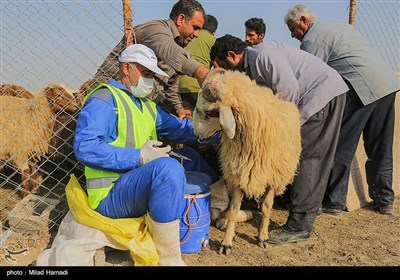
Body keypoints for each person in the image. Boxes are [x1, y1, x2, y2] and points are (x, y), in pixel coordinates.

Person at [73, 44, 219, 266]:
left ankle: (216, 206)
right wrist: (138, 157)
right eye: (146, 73)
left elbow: (181, 130)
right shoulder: (104, 99)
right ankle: (169, 259)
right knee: (168, 168)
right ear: (127, 68)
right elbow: (85, 146)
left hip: (133, 188)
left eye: (152, 75)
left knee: (186, 155)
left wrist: (218, 134)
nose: (150, 80)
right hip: (109, 195)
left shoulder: (146, 106)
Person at [210, 34, 348, 244]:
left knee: (308, 156)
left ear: (231, 56)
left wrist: (279, 129)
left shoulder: (262, 56)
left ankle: (299, 226)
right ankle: (296, 204)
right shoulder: (253, 65)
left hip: (320, 95)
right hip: (318, 95)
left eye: (222, 67)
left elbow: (289, 91)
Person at [284, 4, 399, 216]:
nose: (292, 35)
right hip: (387, 86)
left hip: (360, 87)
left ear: (304, 21)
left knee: (340, 144)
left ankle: (334, 202)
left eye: (293, 28)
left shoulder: (313, 38)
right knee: (381, 146)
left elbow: (309, 78)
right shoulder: (337, 27)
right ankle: (384, 201)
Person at [87, 0, 210, 120]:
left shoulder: (176, 45)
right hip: (109, 96)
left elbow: (171, 83)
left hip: (135, 99)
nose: (197, 34)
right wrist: (201, 73)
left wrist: (179, 109)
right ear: (180, 19)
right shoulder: (156, 30)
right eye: (195, 27)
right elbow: (170, 51)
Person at [179, 14, 218, 112]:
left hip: (179, 86)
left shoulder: (187, 37)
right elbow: (218, 67)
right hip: (197, 87)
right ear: (213, 32)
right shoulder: (212, 40)